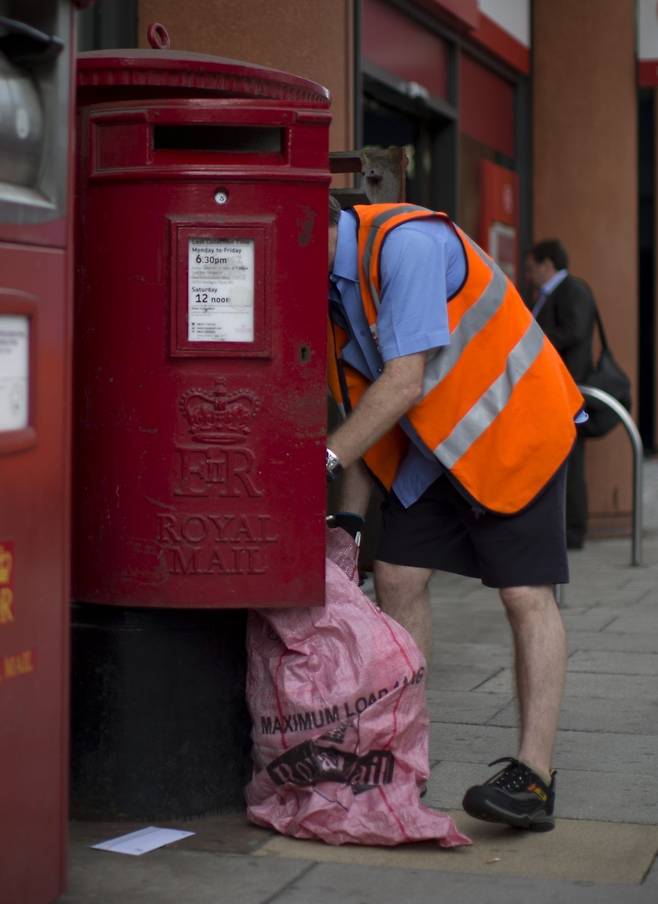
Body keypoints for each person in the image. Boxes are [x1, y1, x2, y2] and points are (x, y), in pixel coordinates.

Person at [326, 196, 585, 833]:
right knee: (397, 576)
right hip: (435, 449)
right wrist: (351, 521)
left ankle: (533, 775)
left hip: (514, 426)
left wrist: (320, 463)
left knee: (526, 595)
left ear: (312, 225)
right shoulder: (333, 288)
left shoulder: (403, 245)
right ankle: (400, 752)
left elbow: (402, 383)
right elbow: (362, 410)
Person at [524, 240, 596, 549]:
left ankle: (572, 531)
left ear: (547, 264)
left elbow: (575, 330)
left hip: (567, 387)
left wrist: (532, 340)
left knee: (570, 460)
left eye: (531, 268)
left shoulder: (572, 289)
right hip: (549, 389)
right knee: (553, 459)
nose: (529, 276)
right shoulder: (549, 294)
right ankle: (556, 527)